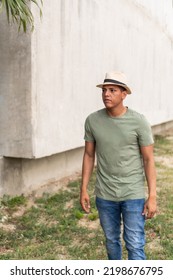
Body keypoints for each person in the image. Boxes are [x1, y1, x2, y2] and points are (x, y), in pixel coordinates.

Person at [80, 71, 157, 260]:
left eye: (112, 90)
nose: (106, 94)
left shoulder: (139, 121)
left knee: (135, 244)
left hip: (133, 193)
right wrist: (83, 189)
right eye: (104, 90)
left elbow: (148, 160)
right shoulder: (93, 120)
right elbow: (89, 155)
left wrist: (152, 195)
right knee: (111, 240)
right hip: (105, 194)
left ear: (124, 94)